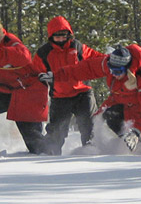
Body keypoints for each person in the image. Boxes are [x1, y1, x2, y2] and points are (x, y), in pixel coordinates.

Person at [40, 44, 141, 155]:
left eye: (118, 72)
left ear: (128, 69)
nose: (114, 74)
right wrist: (57, 76)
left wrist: (137, 132)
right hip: (128, 103)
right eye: (112, 70)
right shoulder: (112, 62)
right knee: (110, 115)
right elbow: (85, 69)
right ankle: (131, 147)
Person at [0, 18, 49, 156]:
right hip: (6, 93)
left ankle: (49, 157)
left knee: (36, 145)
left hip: (27, 94)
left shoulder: (9, 41)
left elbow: (24, 56)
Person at [32, 16, 105, 155]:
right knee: (55, 131)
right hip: (60, 96)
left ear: (69, 34)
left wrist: (113, 60)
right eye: (57, 36)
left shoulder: (78, 47)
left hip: (83, 93)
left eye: (63, 35)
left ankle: (93, 155)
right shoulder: (43, 53)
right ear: (51, 36)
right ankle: (48, 157)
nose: (61, 39)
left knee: (89, 126)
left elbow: (98, 59)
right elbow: (35, 73)